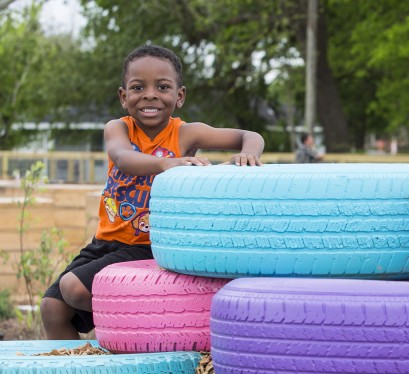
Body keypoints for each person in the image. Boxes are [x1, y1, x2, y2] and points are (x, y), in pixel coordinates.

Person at [40, 44, 265, 340]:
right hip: (105, 241)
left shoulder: (185, 133)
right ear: (123, 97)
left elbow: (251, 136)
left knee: (74, 288)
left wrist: (246, 155)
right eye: (137, 87)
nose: (150, 94)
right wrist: (166, 163)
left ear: (179, 96)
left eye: (162, 86)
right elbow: (123, 158)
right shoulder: (118, 128)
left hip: (147, 245)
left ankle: (140, 325)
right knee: (52, 309)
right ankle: (84, 361)